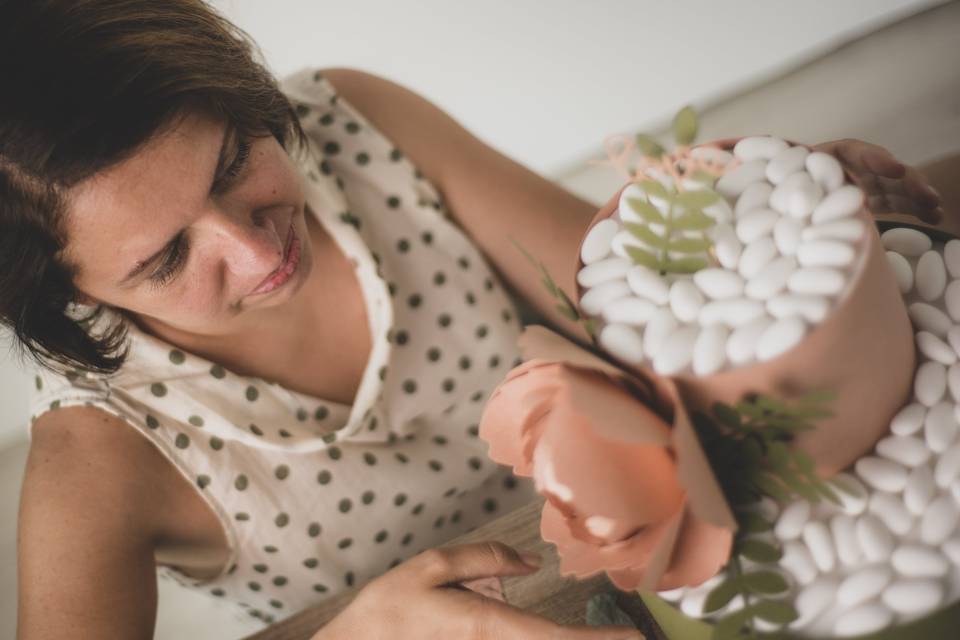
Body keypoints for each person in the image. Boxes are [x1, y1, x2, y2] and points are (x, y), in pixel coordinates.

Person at [1, 1, 948, 639]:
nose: (255, 251)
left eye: (233, 161)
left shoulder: (355, 128)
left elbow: (625, 283)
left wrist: (771, 216)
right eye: (168, 259)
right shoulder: (95, 464)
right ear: (69, 295)